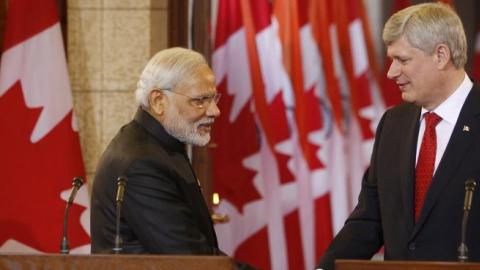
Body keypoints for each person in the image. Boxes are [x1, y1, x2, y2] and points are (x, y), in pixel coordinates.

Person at [317, 3, 480, 269]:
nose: (391, 72)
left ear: (441, 55)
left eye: (402, 60)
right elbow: (368, 220)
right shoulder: (394, 124)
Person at [90, 47, 221, 254]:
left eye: (214, 99)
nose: (214, 111)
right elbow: (189, 259)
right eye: (200, 100)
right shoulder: (142, 163)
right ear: (158, 101)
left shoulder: (160, 147)